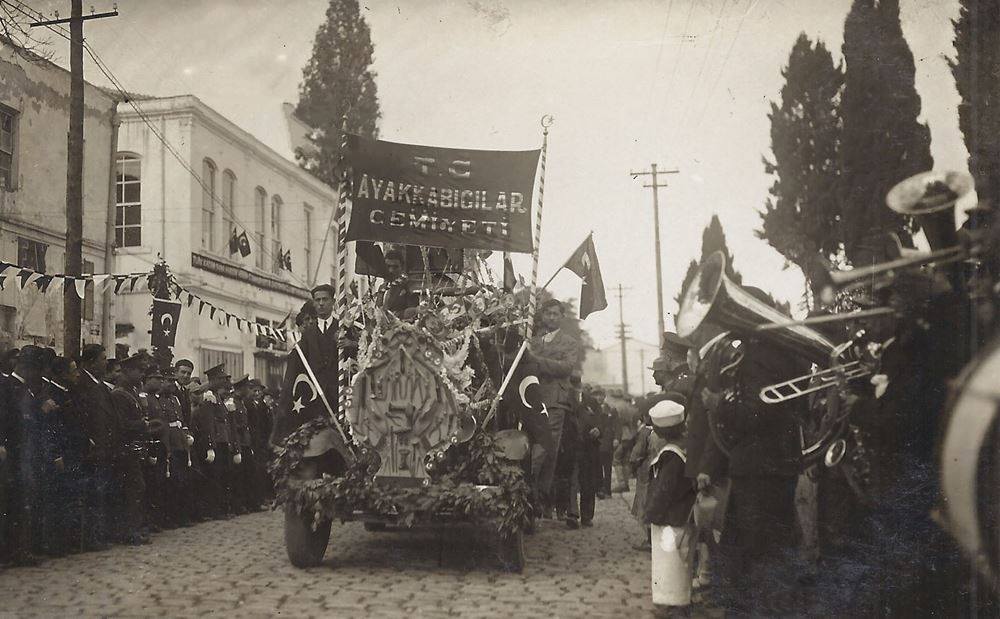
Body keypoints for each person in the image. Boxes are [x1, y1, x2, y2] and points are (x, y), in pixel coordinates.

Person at [699, 287, 806, 616]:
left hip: (762, 467)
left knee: (757, 552)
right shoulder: (767, 351)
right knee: (759, 550)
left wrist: (718, 404)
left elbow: (755, 414)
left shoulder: (762, 355)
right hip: (766, 465)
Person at [522, 298, 582, 517]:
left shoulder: (569, 343)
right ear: (542, 315)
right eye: (548, 313)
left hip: (555, 401)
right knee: (529, 448)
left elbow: (566, 367)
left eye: (556, 314)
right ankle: (534, 498)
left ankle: (534, 494)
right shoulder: (533, 341)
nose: (551, 317)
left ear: (562, 317)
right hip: (531, 399)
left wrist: (536, 361)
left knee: (546, 451)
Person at [644, 397, 697, 615]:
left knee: (669, 563)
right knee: (683, 559)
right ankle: (682, 601)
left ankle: (674, 605)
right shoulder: (687, 447)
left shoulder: (671, 455)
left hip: (669, 516)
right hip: (685, 513)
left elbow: (664, 489)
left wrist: (651, 512)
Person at [0, 345, 46, 566]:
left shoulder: (27, 389)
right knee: (11, 505)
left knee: (23, 503)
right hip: (12, 455)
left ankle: (20, 552)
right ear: (26, 367)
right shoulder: (6, 386)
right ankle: (9, 553)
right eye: (36, 369)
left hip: (27, 454)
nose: (38, 375)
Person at [72, 344, 117, 550]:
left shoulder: (98, 384)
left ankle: (97, 536)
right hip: (91, 447)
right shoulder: (82, 383)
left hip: (103, 446)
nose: (105, 362)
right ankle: (90, 539)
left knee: (100, 492)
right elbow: (80, 417)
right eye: (103, 359)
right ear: (91, 362)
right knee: (91, 493)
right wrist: (89, 441)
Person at [109, 354, 155, 545]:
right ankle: (129, 531)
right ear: (127, 371)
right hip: (125, 448)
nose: (142, 374)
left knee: (137, 488)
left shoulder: (132, 392)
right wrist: (143, 425)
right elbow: (122, 424)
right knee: (132, 489)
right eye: (140, 370)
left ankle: (134, 529)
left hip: (134, 447)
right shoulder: (119, 394)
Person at [591, 386, 620, 498]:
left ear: (604, 396)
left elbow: (617, 425)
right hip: (594, 443)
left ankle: (607, 490)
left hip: (607, 443)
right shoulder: (590, 409)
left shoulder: (611, 410)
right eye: (595, 395)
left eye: (600, 395)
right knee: (595, 468)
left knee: (607, 468)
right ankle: (598, 489)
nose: (598, 397)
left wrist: (617, 438)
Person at [376, 249, 419, 317]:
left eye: (395, 267)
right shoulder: (382, 287)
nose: (391, 270)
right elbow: (378, 309)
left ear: (402, 267)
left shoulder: (409, 286)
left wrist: (393, 316)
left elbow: (415, 311)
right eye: (388, 266)